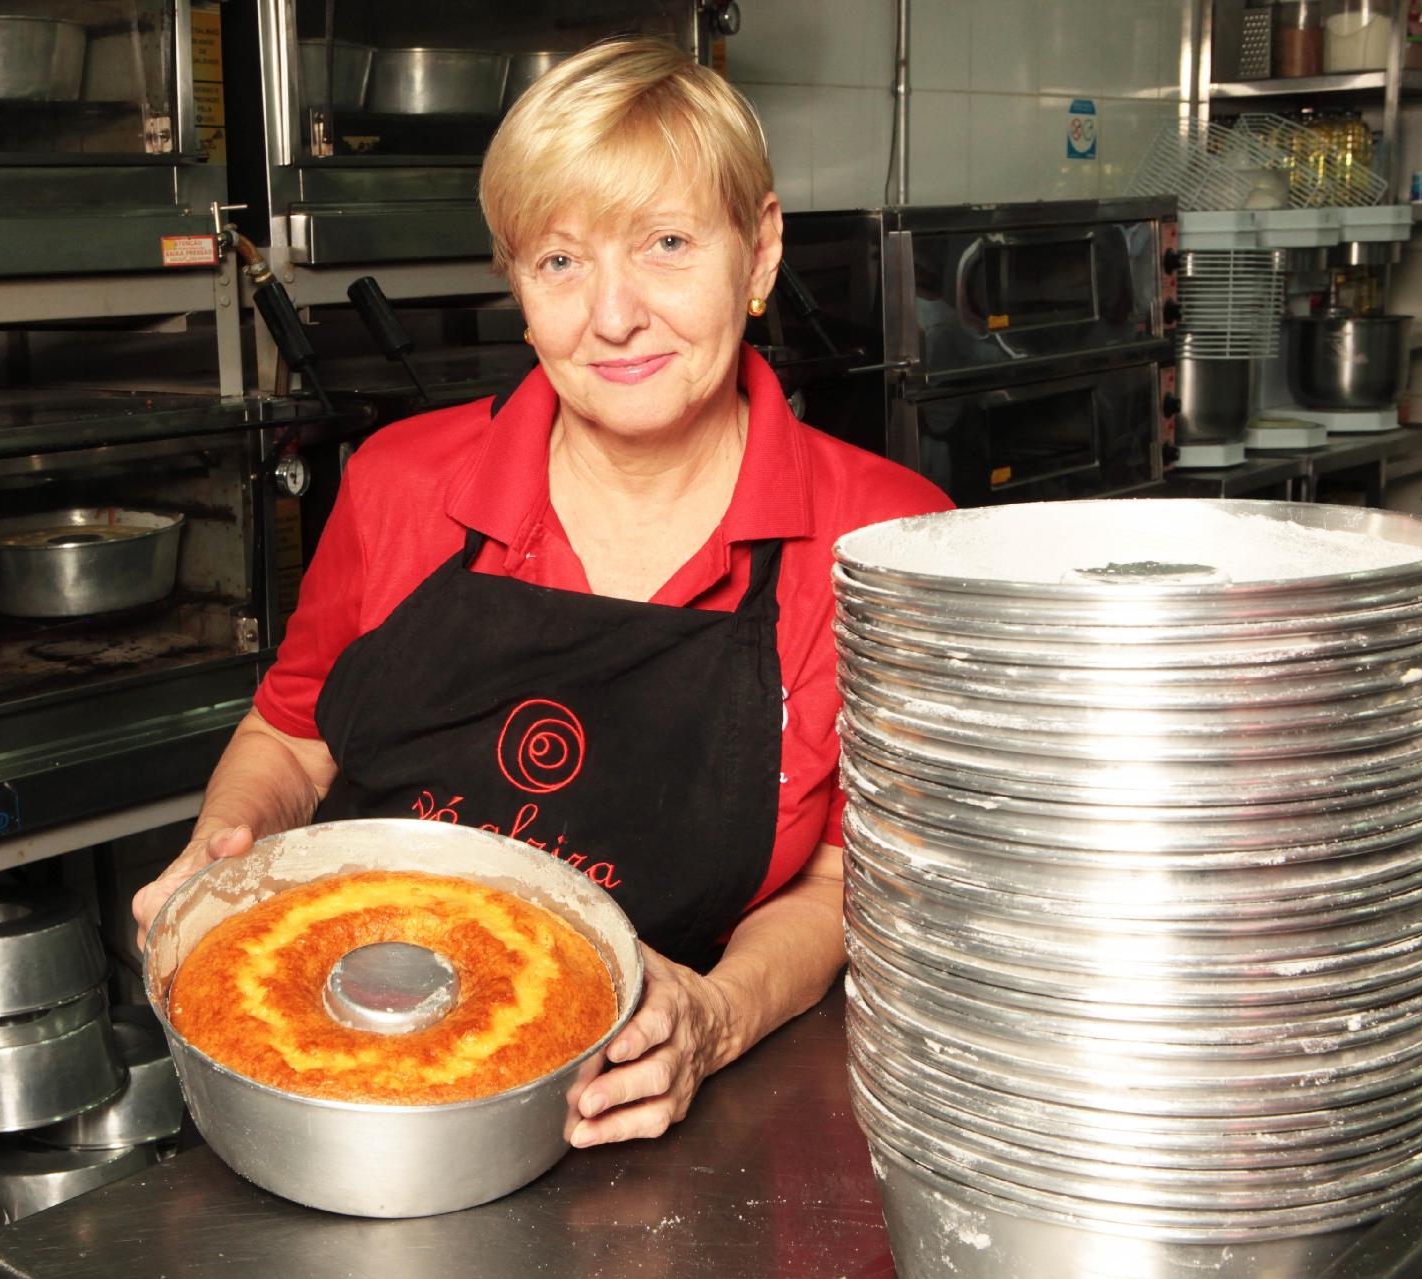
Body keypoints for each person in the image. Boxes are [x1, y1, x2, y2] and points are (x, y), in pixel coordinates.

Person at [134, 37, 950, 1148]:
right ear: (515, 281)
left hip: (668, 1113)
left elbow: (846, 874)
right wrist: (221, 853)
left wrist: (713, 1017)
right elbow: (291, 736)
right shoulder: (402, 484)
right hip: (349, 1076)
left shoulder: (891, 545)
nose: (612, 317)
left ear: (758, 253)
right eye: (560, 262)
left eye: (666, 244)